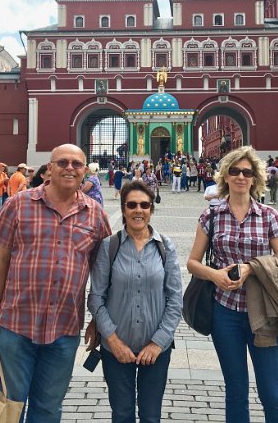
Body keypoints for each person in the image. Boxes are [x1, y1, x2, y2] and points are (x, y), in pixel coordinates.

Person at [0, 144, 111, 422]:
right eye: (62, 162)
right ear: (49, 169)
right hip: (15, 325)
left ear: (85, 171)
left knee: (49, 408)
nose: (70, 168)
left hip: (64, 328)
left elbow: (102, 273)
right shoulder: (19, 203)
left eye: (77, 164)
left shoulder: (96, 214)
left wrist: (99, 320)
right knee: (8, 406)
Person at [186, 146, 278, 423]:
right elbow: (193, 262)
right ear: (225, 176)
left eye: (247, 172)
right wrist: (214, 275)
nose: (241, 177)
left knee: (271, 393)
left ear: (255, 178)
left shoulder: (269, 216)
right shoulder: (211, 215)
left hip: (264, 312)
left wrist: (251, 267)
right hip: (225, 312)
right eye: (234, 171)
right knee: (235, 389)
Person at [87, 180, 182, 423]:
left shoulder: (165, 246)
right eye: (132, 205)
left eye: (144, 205)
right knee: (122, 414)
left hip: (156, 349)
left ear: (151, 209)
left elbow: (174, 300)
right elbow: (96, 297)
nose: (138, 210)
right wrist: (113, 340)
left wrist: (158, 343)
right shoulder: (110, 246)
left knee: (151, 416)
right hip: (116, 347)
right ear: (124, 208)